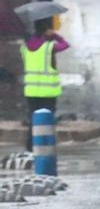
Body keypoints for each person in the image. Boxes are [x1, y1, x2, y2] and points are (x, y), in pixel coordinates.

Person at [21, 19, 69, 152]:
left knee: (33, 120)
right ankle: (45, 146)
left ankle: (30, 147)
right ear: (46, 30)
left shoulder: (26, 47)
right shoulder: (49, 47)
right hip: (48, 92)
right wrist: (55, 36)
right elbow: (65, 45)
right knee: (48, 121)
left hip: (31, 91)